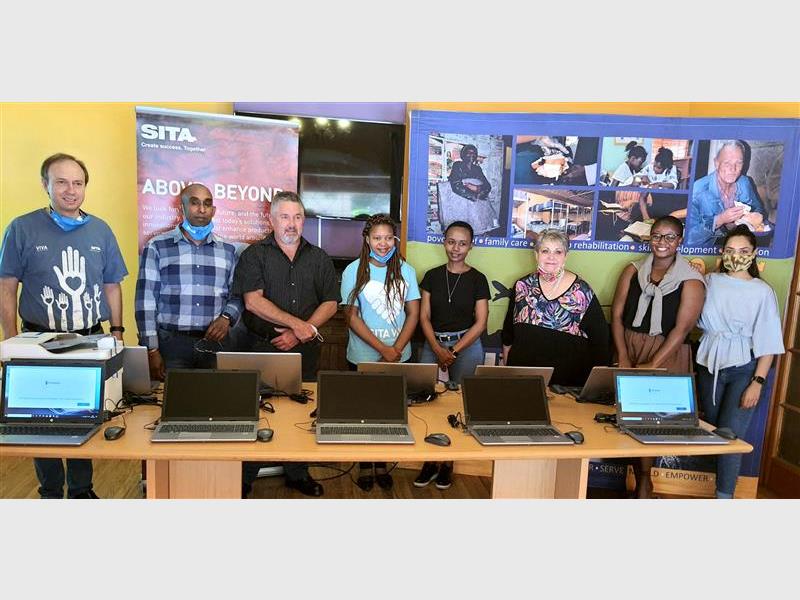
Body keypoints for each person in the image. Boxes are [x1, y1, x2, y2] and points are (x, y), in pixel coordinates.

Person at [0, 153, 128, 499]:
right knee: (41, 419)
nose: (70, 190)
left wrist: (117, 331)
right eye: (61, 182)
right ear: (46, 185)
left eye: (77, 183)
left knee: (84, 415)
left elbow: (112, 285)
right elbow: (6, 286)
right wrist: (11, 340)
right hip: (38, 340)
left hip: (89, 339)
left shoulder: (100, 230)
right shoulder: (22, 228)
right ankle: (51, 492)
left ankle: (82, 490)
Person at [233, 191, 340, 498]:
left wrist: (302, 332)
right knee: (257, 411)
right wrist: (298, 324)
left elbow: (331, 303)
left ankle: (297, 474)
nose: (291, 224)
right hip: (262, 347)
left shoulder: (319, 257)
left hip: (305, 350)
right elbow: (253, 302)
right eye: (284, 217)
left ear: (303, 220)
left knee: (300, 412)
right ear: (271, 219)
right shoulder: (254, 255)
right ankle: (246, 477)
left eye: (297, 217)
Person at [610, 215, 705, 498]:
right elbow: (617, 315)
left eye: (669, 237)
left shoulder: (691, 280)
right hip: (630, 345)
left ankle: (645, 478)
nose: (662, 242)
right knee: (627, 416)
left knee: (654, 420)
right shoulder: (632, 271)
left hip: (666, 353)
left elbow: (682, 329)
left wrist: (653, 364)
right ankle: (635, 474)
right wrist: (623, 355)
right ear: (649, 238)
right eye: (657, 236)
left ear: (680, 241)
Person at [696, 225, 784, 498]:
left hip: (743, 368)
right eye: (730, 250)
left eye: (743, 250)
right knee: (713, 430)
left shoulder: (762, 291)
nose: (736, 256)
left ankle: (724, 497)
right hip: (709, 364)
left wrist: (758, 381)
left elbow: (768, 340)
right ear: (722, 253)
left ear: (754, 254)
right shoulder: (709, 281)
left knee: (729, 436)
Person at [340, 214, 420, 492]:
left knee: (389, 414)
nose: (383, 243)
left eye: (388, 238)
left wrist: (395, 349)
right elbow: (351, 316)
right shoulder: (353, 271)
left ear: (394, 240)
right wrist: (382, 348)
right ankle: (365, 464)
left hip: (398, 357)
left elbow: (413, 313)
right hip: (363, 356)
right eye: (377, 238)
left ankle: (383, 463)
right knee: (363, 414)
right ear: (367, 239)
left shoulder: (406, 271)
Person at [135, 183, 243, 378]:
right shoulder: (157, 246)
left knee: (218, 396)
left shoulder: (228, 250)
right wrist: (151, 349)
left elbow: (237, 294)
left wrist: (227, 317)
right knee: (172, 397)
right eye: (194, 203)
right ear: (181, 208)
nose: (202, 209)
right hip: (171, 346)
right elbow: (145, 301)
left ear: (213, 210)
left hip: (214, 344)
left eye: (207, 204)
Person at [416, 220, 489, 490]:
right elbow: (423, 316)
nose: (456, 248)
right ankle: (429, 460)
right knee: (426, 400)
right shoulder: (432, 276)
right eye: (451, 242)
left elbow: (481, 323)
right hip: (433, 342)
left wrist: (453, 351)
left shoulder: (478, 279)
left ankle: (448, 462)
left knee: (460, 403)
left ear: (471, 246)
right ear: (443, 242)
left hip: (466, 344)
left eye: (462, 243)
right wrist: (437, 348)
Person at [502, 229, 610, 386]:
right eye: (545, 251)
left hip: (566, 387)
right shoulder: (522, 286)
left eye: (558, 252)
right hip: (524, 382)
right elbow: (508, 335)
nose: (551, 257)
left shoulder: (582, 291)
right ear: (536, 254)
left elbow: (600, 343)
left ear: (565, 256)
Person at [686, 140, 767, 246]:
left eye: (739, 163)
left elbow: (758, 209)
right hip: (711, 248)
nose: (733, 169)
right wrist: (720, 220)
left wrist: (748, 219)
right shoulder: (698, 189)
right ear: (716, 163)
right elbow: (689, 238)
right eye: (727, 163)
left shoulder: (745, 182)